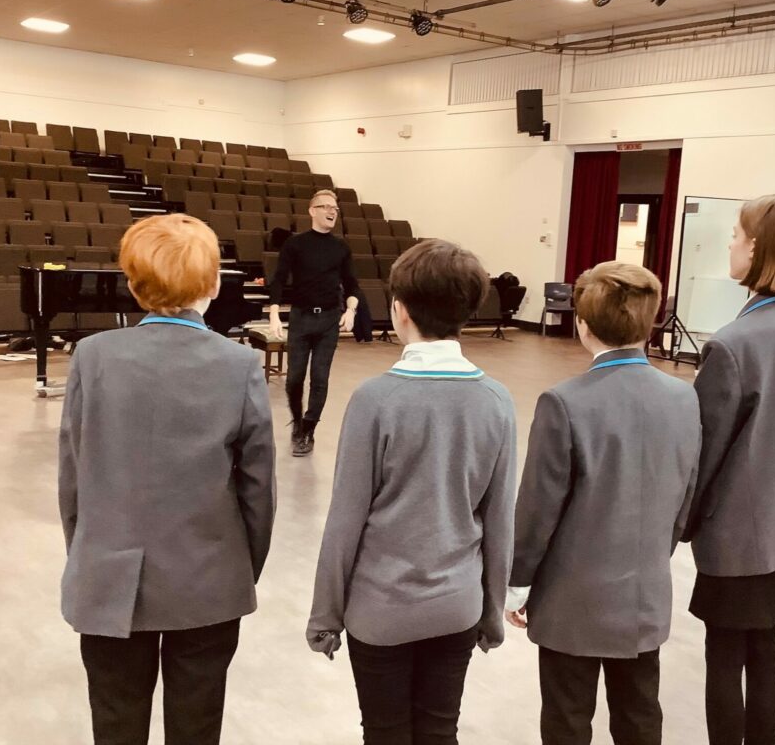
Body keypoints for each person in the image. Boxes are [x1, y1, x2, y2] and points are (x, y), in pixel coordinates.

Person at [58, 214, 277, 745]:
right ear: (214, 284)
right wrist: (241, 566)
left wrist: (87, 550)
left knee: (115, 722)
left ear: (133, 284)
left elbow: (74, 475)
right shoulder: (239, 364)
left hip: (111, 575)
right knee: (197, 726)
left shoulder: (94, 356)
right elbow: (258, 490)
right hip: (209, 577)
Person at [307, 239, 516, 745]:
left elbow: (346, 519)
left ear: (398, 311)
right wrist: (491, 611)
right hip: (457, 606)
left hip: (382, 611)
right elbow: (500, 519)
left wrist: (326, 613)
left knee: (384, 733)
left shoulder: (375, 399)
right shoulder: (496, 400)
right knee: (441, 731)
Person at [506, 261, 701, 745]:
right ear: (651, 320)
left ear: (582, 325)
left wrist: (517, 581)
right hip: (644, 592)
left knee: (568, 719)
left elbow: (538, 509)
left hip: (573, 598)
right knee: (639, 716)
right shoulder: (683, 397)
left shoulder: (564, 402)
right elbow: (685, 493)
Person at [682, 193, 775, 745]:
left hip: (738, 531)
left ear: (758, 247)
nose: (730, 244)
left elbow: (705, 452)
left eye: (737, 235)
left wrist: (679, 525)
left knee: (725, 656)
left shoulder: (736, 342)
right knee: (762, 650)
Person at [268, 189, 360, 456]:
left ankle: (308, 430)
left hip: (329, 319)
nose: (332, 212)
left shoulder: (341, 247)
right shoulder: (295, 245)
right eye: (326, 207)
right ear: (312, 211)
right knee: (294, 379)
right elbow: (279, 279)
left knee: (320, 378)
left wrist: (351, 309)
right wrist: (274, 314)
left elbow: (352, 284)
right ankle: (297, 422)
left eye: (335, 209)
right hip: (301, 317)